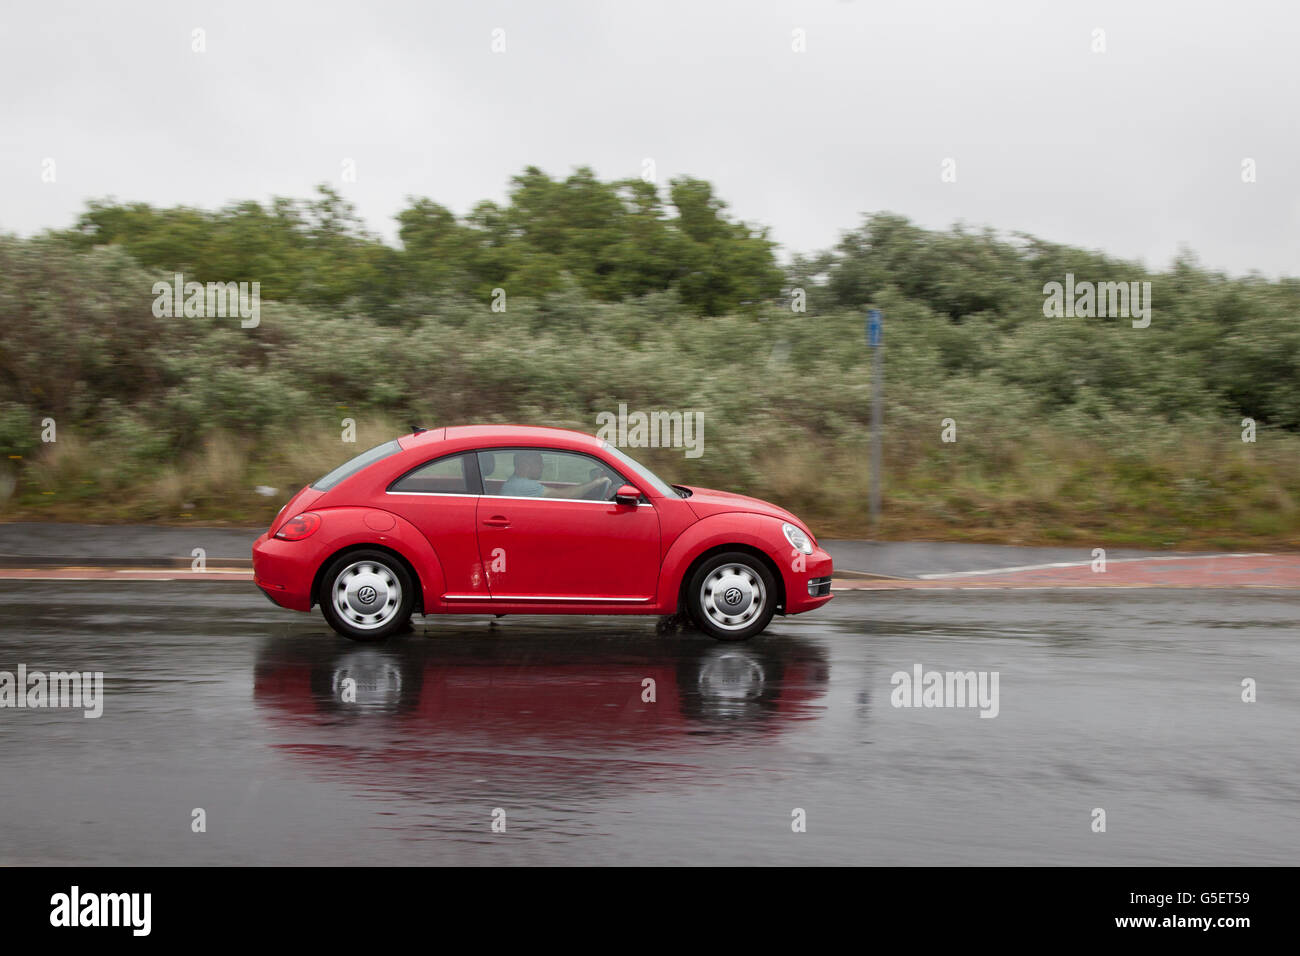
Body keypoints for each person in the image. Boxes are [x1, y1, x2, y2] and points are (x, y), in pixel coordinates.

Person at [500, 451, 611, 499]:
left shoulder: (515, 482)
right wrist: (596, 482)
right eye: (538, 462)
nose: (542, 466)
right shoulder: (523, 485)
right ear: (524, 465)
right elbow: (565, 495)